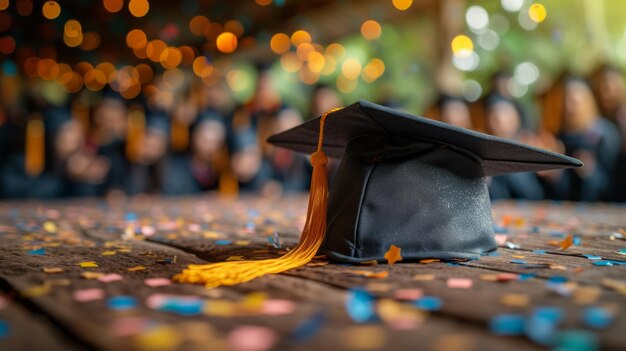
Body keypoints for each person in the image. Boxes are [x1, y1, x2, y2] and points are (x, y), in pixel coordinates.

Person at [549, 77, 622, 201]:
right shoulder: (559, 138)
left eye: (574, 102)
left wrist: (591, 171)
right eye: (564, 102)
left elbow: (615, 184)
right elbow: (562, 192)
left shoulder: (606, 135)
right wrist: (556, 173)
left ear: (587, 103)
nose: (568, 108)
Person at [484, 94, 545, 200]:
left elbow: (535, 193)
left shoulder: (531, 145)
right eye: (495, 116)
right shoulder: (485, 151)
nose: (501, 121)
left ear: (516, 118)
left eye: (506, 114)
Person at [161, 112, 227, 195]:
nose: (208, 146)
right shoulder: (176, 170)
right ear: (194, 137)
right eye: (204, 140)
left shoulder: (221, 170)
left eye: (214, 142)